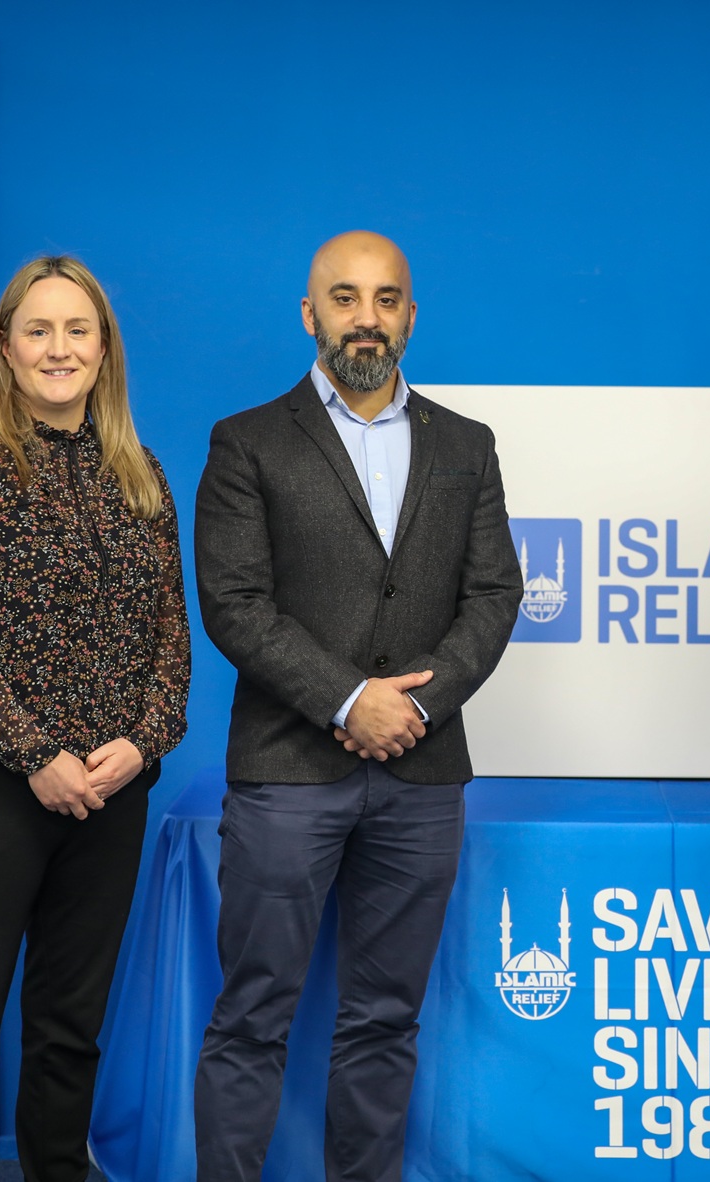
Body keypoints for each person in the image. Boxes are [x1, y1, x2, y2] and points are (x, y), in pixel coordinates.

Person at [192, 231, 522, 1181]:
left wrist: (416, 707)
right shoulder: (247, 441)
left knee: (385, 1021)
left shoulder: (467, 445)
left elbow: (494, 594)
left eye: (386, 299)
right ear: (311, 314)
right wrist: (347, 700)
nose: (365, 318)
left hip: (422, 773)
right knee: (253, 1016)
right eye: (345, 298)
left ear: (411, 315)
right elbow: (235, 604)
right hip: (287, 773)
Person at [0, 256, 189, 1181]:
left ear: (104, 352)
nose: (58, 349)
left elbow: (171, 639)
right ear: (7, 348)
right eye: (38, 330)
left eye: (77, 330)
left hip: (112, 791)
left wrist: (142, 742)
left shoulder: (141, 475)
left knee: (69, 1031)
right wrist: (35, 755)